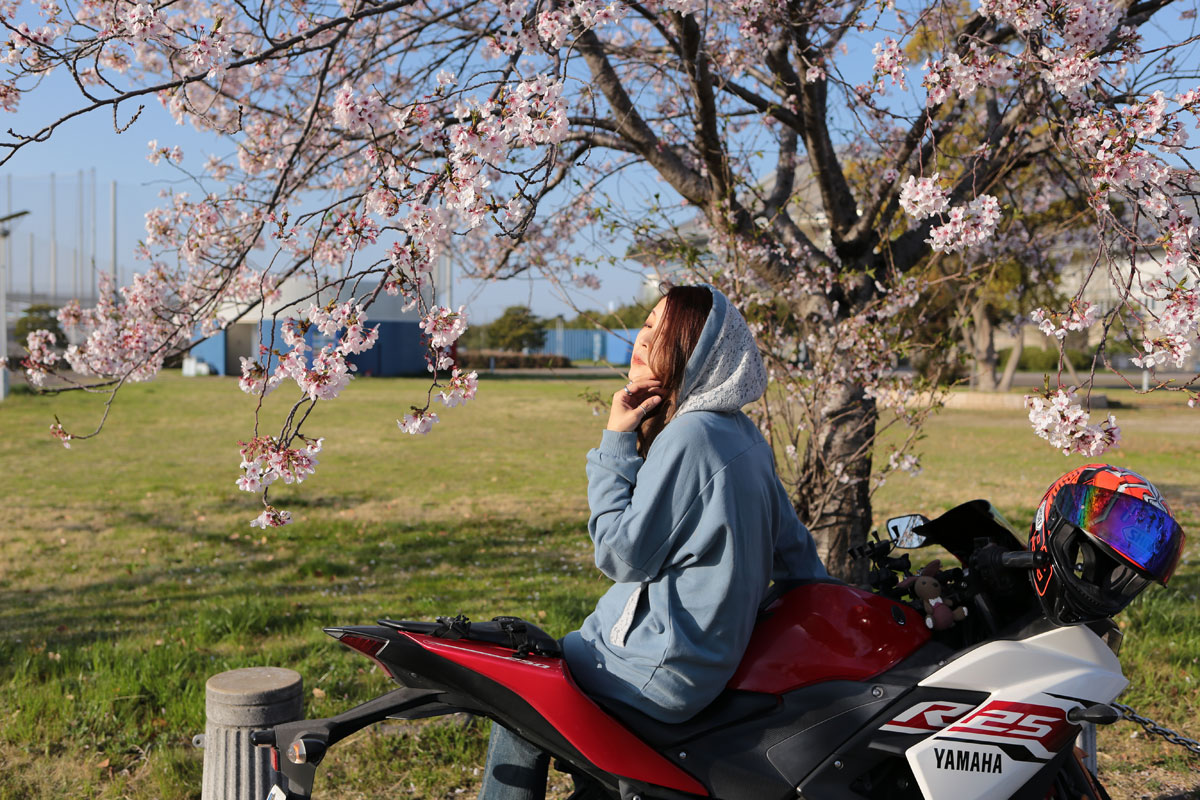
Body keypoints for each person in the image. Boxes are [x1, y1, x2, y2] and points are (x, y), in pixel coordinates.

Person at [478, 284, 828, 800]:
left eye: (665, 332)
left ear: (700, 351)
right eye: (645, 325)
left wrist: (615, 440)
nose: (643, 339)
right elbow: (797, 556)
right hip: (693, 665)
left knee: (518, 696)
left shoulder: (692, 436)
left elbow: (619, 554)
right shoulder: (743, 434)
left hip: (649, 669)